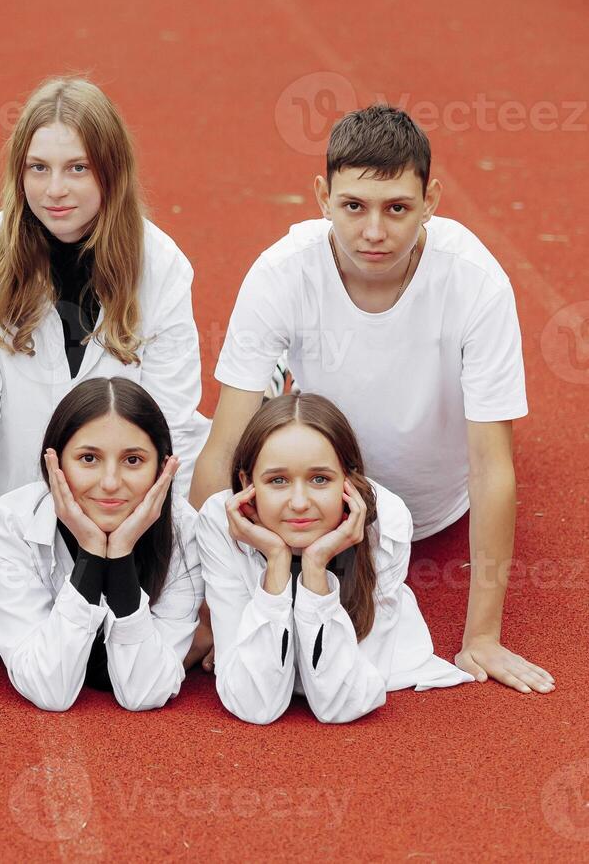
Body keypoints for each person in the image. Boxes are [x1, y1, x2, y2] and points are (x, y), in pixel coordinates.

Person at [190, 103, 552, 695]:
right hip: (317, 498)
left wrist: (481, 635)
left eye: (398, 208)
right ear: (322, 196)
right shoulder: (282, 272)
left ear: (431, 201)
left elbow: (492, 465)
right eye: (353, 206)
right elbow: (224, 443)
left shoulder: (476, 284)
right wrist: (207, 610)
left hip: (437, 511)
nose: (375, 232)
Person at [0, 76, 208, 500]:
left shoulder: (162, 265)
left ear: (111, 170)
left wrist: (156, 543)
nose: (54, 190)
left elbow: (170, 423)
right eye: (38, 168)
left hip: (122, 518)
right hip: (8, 517)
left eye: (77, 168)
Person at [197, 392, 473, 724]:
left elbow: (342, 703)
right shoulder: (219, 520)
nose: (299, 502)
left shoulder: (387, 523)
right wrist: (276, 561)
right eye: (278, 480)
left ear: (348, 480)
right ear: (246, 482)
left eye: (320, 479)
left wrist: (315, 567)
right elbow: (255, 705)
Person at [0, 377, 201, 712]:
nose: (110, 483)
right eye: (88, 459)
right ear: (53, 464)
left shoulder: (185, 531)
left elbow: (144, 693)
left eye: (133, 460)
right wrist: (93, 552)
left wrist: (120, 552)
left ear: (163, 468)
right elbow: (49, 689)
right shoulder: (7, 527)